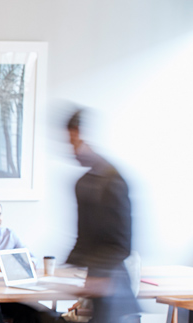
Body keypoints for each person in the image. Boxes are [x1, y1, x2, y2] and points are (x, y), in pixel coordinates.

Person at [65, 109, 140, 323]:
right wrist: (66, 270)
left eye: (76, 142)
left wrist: (100, 277)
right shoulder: (82, 184)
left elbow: (122, 244)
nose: (74, 151)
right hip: (98, 288)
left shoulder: (114, 182)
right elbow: (84, 239)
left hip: (116, 291)